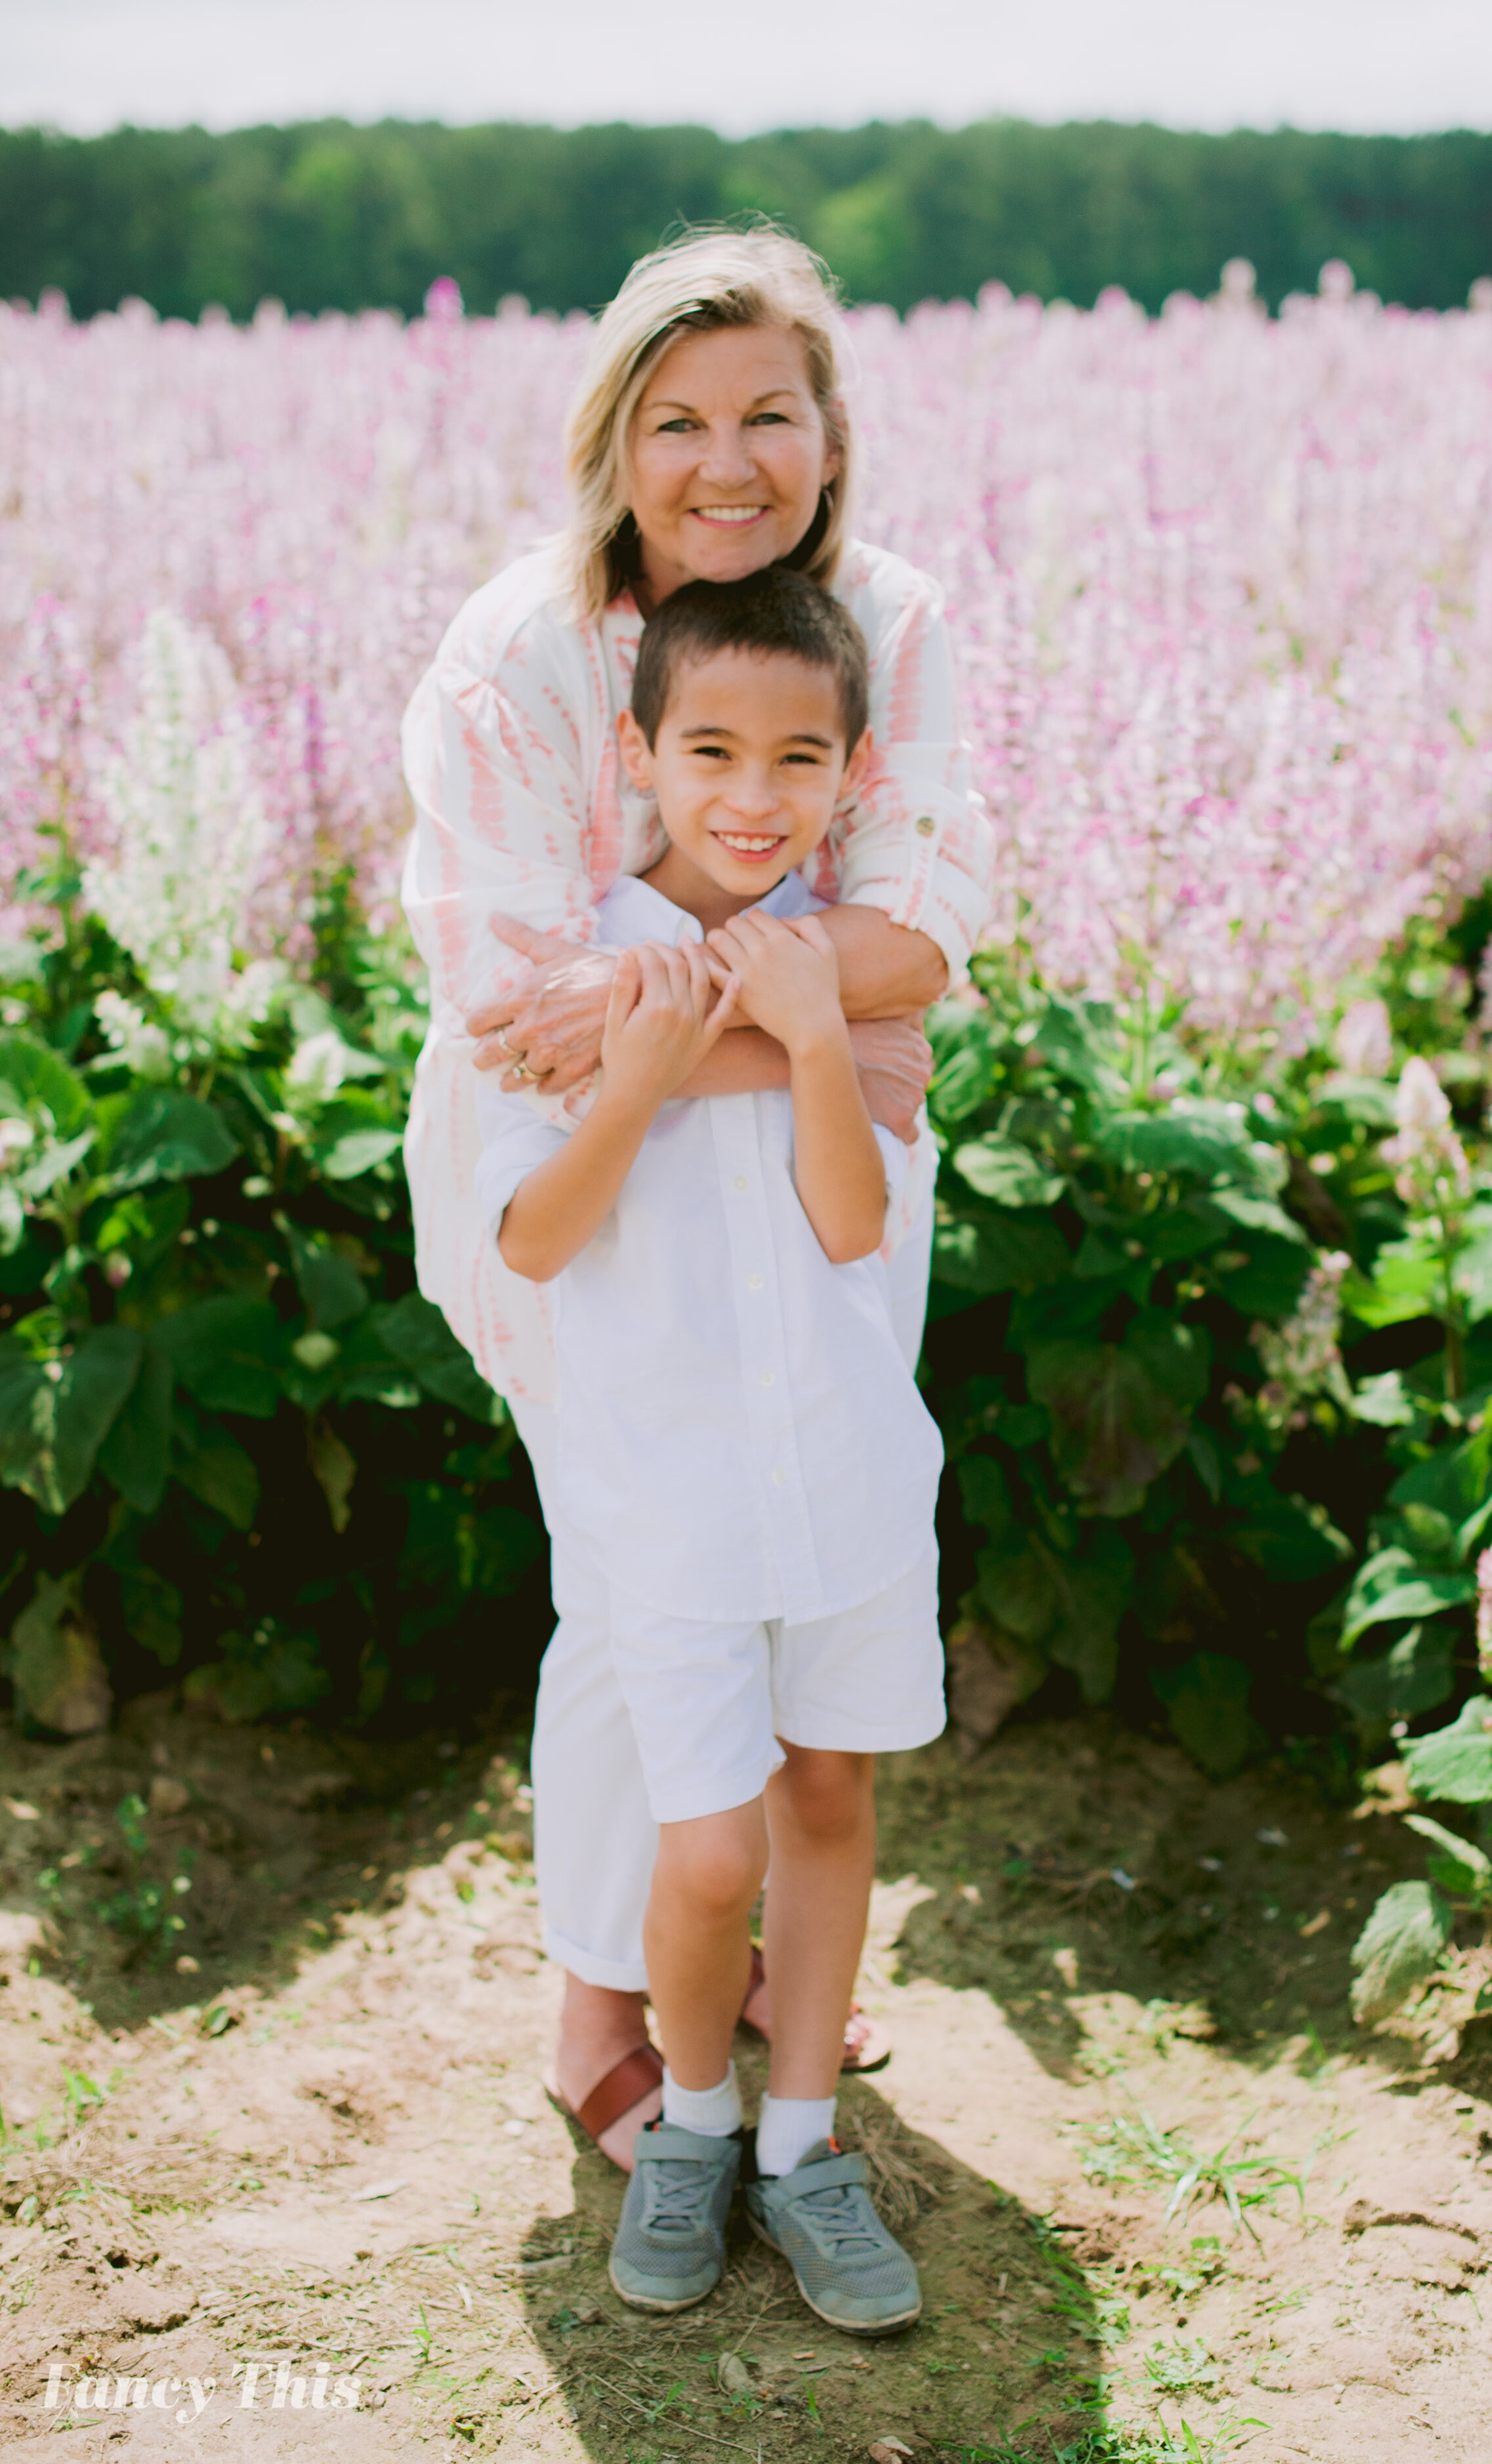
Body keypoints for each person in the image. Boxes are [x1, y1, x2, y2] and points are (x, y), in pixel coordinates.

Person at [400, 224, 993, 2172]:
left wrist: (707, 1023)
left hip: (818, 1167)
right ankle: (603, 1983)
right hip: (564, 1178)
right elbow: (517, 1017)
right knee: (630, 1566)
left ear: (831, 433)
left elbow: (936, 929)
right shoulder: (518, 650)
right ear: (614, 438)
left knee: (787, 1530)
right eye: (677, 419)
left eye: (770, 413)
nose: (725, 461)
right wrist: (825, 1014)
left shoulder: (890, 620)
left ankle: (718, 1954)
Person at [475, 568, 944, 2331]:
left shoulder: (836, 963)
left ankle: (803, 2142)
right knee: (702, 1853)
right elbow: (530, 1237)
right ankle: (690, 2119)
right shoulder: (576, 979)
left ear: (848, 770)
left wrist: (809, 1029)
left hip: (840, 1475)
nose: (754, 796)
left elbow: (846, 1220)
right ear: (640, 754)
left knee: (826, 1793)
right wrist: (641, 1074)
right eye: (714, 751)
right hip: (665, 1499)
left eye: (799, 759)